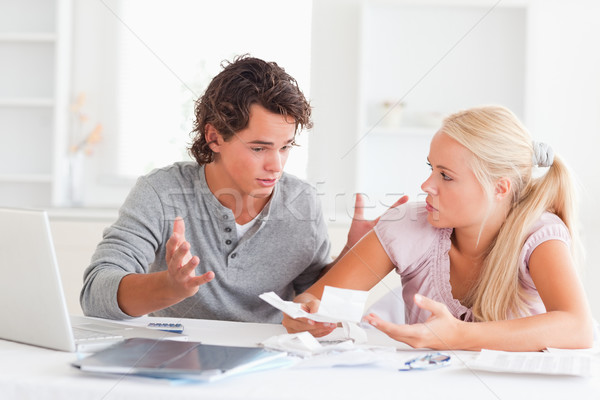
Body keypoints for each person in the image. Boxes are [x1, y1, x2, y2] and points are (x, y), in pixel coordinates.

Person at [80, 55, 405, 323]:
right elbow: (95, 294)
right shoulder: (161, 192)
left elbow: (312, 298)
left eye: (285, 147)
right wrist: (168, 286)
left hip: (267, 360)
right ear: (214, 137)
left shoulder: (302, 202)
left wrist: (355, 252)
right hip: (175, 356)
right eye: (259, 148)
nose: (276, 165)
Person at [283, 105, 594, 351]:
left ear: (500, 188)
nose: (426, 185)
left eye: (446, 176)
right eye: (431, 169)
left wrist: (459, 335)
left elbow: (578, 328)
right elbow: (313, 302)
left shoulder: (538, 236)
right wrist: (303, 314)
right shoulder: (409, 225)